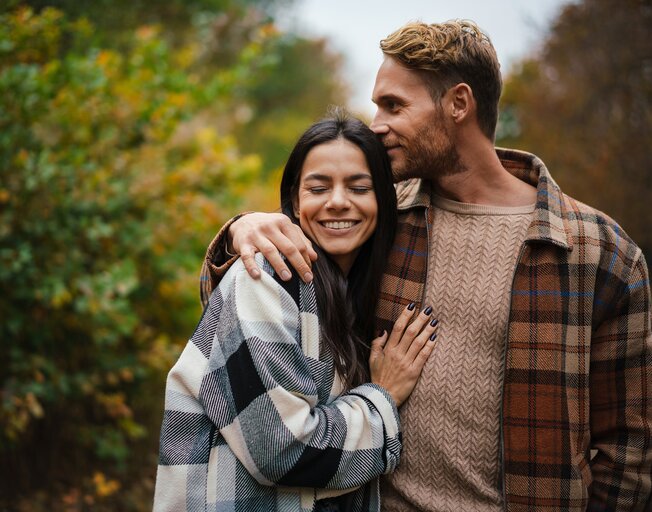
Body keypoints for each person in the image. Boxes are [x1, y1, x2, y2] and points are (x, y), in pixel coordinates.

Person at [201, 20, 652, 512]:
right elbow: (258, 307)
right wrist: (240, 229)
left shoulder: (599, 253)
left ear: (458, 104)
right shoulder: (380, 218)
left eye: (393, 105)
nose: (375, 123)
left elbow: (630, 451)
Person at [154, 111, 439, 512]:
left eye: (359, 187)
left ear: (383, 201)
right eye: (318, 187)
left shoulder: (352, 291)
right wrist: (383, 396)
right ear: (295, 199)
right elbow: (280, 449)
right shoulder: (268, 277)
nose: (338, 202)